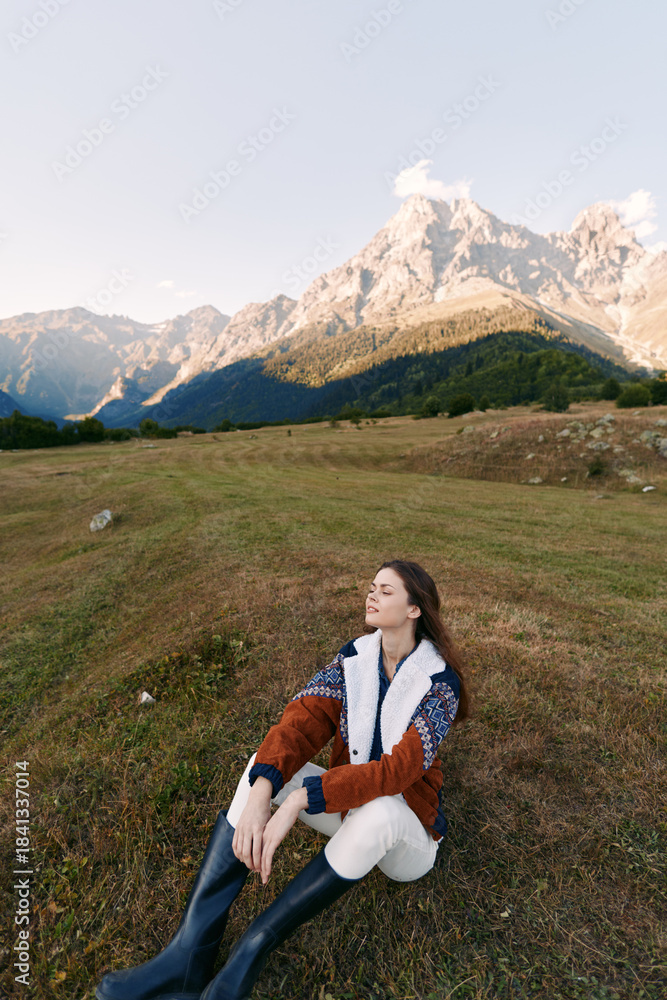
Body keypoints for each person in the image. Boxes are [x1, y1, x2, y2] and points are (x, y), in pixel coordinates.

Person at [95, 558, 470, 1000]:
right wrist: (264, 793)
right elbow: (302, 720)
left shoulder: (439, 681)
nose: (371, 595)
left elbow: (398, 773)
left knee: (383, 809)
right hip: (349, 809)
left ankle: (249, 952)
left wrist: (299, 801)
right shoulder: (357, 658)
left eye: (386, 591)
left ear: (414, 609)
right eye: (372, 586)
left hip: (406, 840)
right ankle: (187, 957)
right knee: (263, 766)